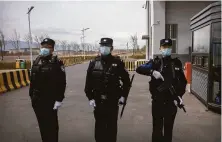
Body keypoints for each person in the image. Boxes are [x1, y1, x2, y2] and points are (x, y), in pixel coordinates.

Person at [136, 38, 187, 142]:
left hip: (171, 102)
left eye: (168, 47)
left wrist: (180, 96)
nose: (166, 49)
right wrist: (152, 71)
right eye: (164, 47)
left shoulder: (176, 63)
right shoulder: (155, 62)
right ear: (160, 48)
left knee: (168, 130)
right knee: (157, 130)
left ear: (171, 49)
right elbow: (139, 69)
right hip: (157, 102)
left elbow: (183, 82)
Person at [84, 37, 130, 142]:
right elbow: (88, 84)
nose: (104, 48)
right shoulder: (93, 63)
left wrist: (123, 96)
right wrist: (90, 98)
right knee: (99, 128)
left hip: (112, 102)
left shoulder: (118, 63)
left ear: (111, 48)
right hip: (98, 101)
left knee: (111, 129)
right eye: (102, 46)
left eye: (107, 46)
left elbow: (127, 82)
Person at [29, 38, 66, 142]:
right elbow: (32, 80)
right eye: (43, 47)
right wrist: (31, 95)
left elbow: (62, 83)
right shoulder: (37, 60)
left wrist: (59, 99)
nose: (44, 49)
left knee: (51, 126)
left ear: (52, 49)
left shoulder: (57, 63)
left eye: (47, 47)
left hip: (50, 101)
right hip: (37, 100)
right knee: (42, 125)